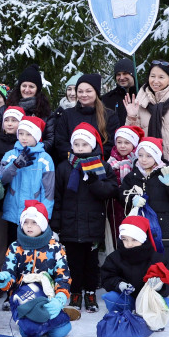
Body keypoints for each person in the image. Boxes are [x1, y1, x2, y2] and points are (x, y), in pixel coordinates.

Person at [53, 123, 117, 312]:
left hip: (93, 224)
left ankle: (90, 292)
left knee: (91, 262)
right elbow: (58, 197)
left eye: (84, 144)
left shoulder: (102, 167)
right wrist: (56, 225)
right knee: (72, 261)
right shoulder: (64, 167)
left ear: (93, 146)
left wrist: (95, 180)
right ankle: (74, 292)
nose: (80, 148)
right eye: (77, 144)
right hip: (69, 225)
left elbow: (110, 191)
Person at [0, 200, 76, 337]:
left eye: (34, 222)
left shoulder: (56, 247)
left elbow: (63, 276)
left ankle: (50, 320)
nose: (29, 226)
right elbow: (10, 274)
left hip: (47, 296)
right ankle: (33, 324)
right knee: (29, 332)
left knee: (60, 331)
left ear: (43, 224)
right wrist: (4, 280)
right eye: (26, 222)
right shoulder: (15, 247)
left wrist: (60, 298)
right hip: (24, 297)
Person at [120, 137, 169, 270]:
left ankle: (164, 286)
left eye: (148, 156)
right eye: (140, 155)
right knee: (141, 256)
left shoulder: (164, 172)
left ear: (157, 157)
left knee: (162, 258)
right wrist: (132, 198)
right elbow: (122, 194)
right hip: (140, 224)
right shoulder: (133, 175)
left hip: (162, 225)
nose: (143, 159)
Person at [0, 116, 55, 246]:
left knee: (33, 249)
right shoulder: (10, 154)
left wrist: (45, 215)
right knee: (13, 247)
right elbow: (1, 180)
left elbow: (49, 191)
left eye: (28, 134)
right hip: (13, 211)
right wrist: (14, 166)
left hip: (35, 216)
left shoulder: (45, 159)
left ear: (36, 136)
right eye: (21, 133)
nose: (24, 137)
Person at [124, 60, 169, 160]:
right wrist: (131, 117)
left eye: (161, 77)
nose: (155, 81)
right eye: (152, 76)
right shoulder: (141, 103)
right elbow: (131, 139)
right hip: (146, 164)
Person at [100, 215, 169, 303]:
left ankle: (147, 311)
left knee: (166, 302)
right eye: (125, 239)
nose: (129, 244)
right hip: (126, 299)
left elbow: (167, 281)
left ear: (143, 239)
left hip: (149, 300)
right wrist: (119, 284)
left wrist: (159, 286)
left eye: (134, 240)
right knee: (111, 297)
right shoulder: (114, 257)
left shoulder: (156, 258)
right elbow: (107, 277)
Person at [53, 74, 120, 159]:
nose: (84, 95)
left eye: (88, 91)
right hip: (71, 163)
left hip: (99, 164)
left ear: (96, 92)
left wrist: (92, 158)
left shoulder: (109, 115)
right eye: (80, 91)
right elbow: (61, 142)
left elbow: (111, 144)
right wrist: (75, 158)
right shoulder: (67, 114)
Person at [101, 57, 137, 125]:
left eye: (125, 73)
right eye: (118, 74)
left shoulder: (143, 93)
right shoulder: (107, 98)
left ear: (133, 74)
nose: (121, 77)